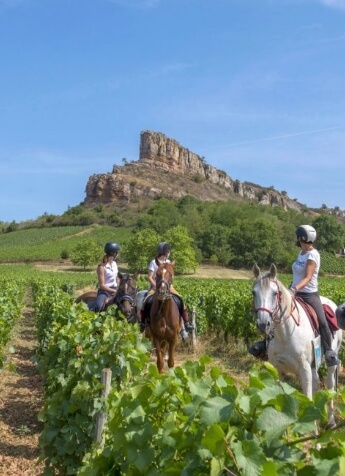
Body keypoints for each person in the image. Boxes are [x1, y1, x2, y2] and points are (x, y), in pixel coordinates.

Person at [249, 225, 339, 367]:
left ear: (302, 237)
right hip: (294, 292)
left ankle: (329, 351)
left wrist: (294, 288)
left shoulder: (313, 255)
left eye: (298, 237)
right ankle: (265, 344)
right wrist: (289, 289)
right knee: (275, 314)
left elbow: (308, 277)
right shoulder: (301, 253)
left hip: (309, 294)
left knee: (322, 321)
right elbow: (297, 275)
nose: (297, 239)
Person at [140, 242, 193, 338]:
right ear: (163, 252)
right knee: (145, 301)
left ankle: (185, 323)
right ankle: (143, 323)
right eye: (168, 252)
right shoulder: (153, 262)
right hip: (155, 286)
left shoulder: (169, 263)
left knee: (180, 299)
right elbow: (150, 277)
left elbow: (171, 277)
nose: (169, 253)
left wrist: (168, 285)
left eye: (169, 252)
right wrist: (156, 286)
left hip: (168, 287)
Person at [90, 241, 121, 312]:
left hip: (115, 289)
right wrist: (113, 290)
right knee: (99, 306)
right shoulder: (101, 267)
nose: (118, 254)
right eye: (117, 252)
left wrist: (119, 287)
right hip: (104, 291)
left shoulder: (115, 264)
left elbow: (117, 278)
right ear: (114, 253)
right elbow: (102, 285)